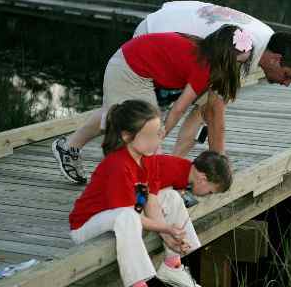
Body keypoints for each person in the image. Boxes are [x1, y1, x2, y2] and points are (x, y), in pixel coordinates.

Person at [68, 100, 232, 287]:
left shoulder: (148, 160)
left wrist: (169, 237)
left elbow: (150, 200)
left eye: (158, 133)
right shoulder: (118, 165)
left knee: (172, 196)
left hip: (122, 217)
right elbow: (131, 215)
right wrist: (166, 228)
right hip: (87, 225)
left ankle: (173, 264)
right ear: (127, 136)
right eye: (150, 135)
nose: (157, 140)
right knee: (127, 217)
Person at [52, 24, 251, 184]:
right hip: (129, 70)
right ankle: (146, 189)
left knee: (116, 114)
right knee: (146, 135)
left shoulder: (205, 54)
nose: (239, 67)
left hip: (129, 62)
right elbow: (179, 107)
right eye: (238, 63)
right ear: (224, 56)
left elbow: (206, 110)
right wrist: (162, 131)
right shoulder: (204, 67)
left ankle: (69, 147)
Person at [134, 0, 291, 156]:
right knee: (144, 120)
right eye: (288, 76)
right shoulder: (242, 50)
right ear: (276, 59)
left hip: (170, 25)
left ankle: (174, 168)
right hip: (151, 36)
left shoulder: (266, 38)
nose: (286, 84)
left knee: (203, 106)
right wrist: (221, 165)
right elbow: (216, 110)